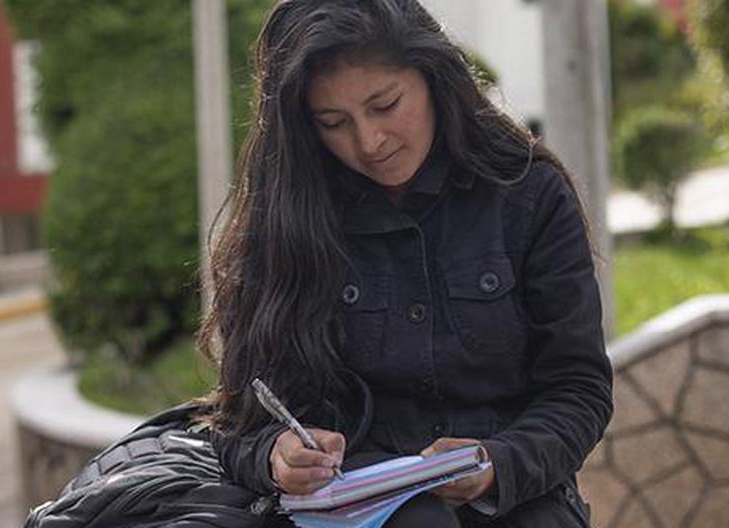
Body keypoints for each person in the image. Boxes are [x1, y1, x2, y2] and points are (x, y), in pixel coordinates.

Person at [196, 0, 614, 526]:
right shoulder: (285, 221)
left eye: (386, 105)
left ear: (434, 77)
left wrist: (496, 464)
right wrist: (276, 454)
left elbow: (579, 389)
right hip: (355, 509)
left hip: (519, 497)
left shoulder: (529, 195)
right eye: (334, 122)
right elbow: (238, 420)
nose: (369, 142)